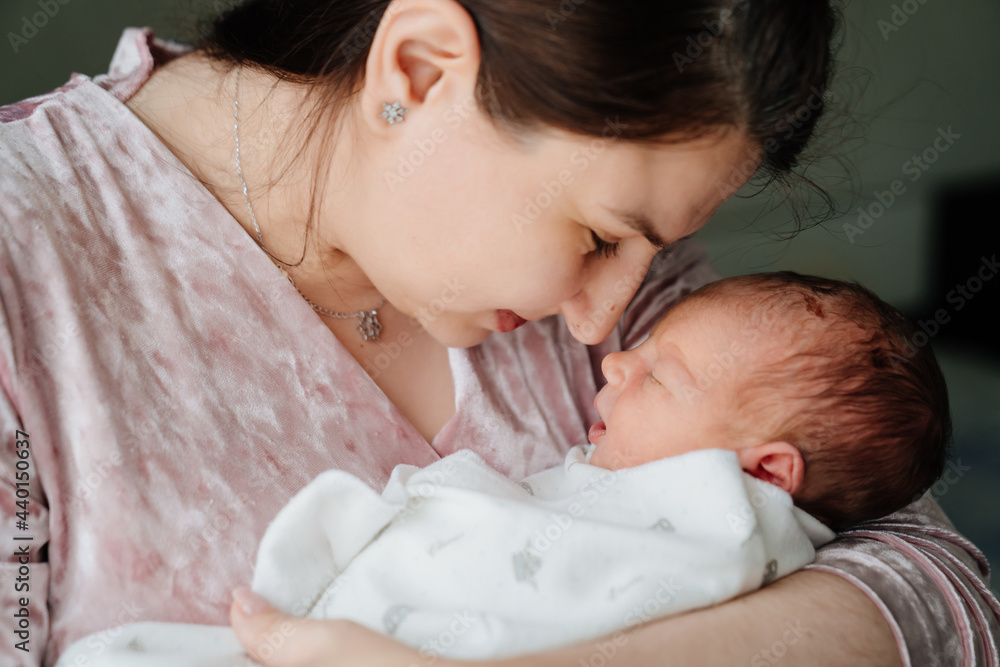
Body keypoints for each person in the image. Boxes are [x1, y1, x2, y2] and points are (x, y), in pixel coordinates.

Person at [0, 0, 997, 665]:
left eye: (653, 250)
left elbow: (934, 598)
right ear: (421, 68)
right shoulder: (27, 267)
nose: (604, 325)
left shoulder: (661, 324)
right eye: (599, 236)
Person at [52, 271, 952, 666]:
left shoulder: (720, 523)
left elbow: (945, 599)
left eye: (658, 375)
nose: (611, 354)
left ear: (767, 473)